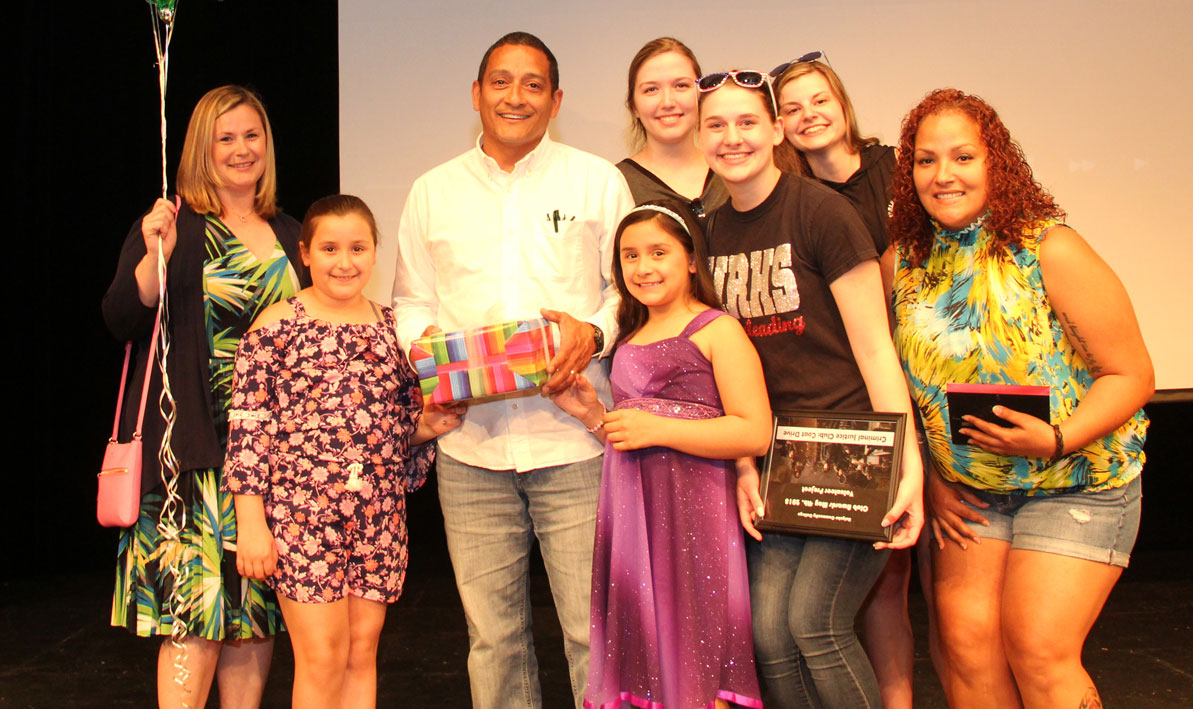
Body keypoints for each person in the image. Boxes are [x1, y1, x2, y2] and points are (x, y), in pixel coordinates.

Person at [887, 88, 1153, 708]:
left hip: (1078, 479)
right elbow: (898, 385)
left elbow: (1132, 375)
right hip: (972, 492)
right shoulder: (901, 261)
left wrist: (1056, 439)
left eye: (962, 157)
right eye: (926, 161)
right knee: (968, 649)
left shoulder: (1049, 248)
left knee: (1036, 646)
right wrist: (932, 477)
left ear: (995, 163)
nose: (943, 175)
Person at [391, 31, 634, 708]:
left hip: (575, 440)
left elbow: (627, 288)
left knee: (593, 632)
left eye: (532, 84)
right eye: (500, 81)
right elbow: (409, 299)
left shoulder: (595, 180)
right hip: (471, 447)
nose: (515, 96)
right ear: (475, 94)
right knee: (492, 639)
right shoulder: (432, 190)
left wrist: (594, 331)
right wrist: (427, 345)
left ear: (555, 100)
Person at [695, 70, 924, 708]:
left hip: (855, 451)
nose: (732, 137)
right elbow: (723, 375)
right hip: (775, 460)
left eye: (746, 122)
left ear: (775, 131)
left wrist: (909, 468)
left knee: (815, 627)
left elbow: (877, 350)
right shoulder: (709, 236)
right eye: (716, 125)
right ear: (699, 139)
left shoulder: (823, 211)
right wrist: (743, 464)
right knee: (769, 636)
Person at [102, 85, 308, 708]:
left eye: (253, 135)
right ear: (201, 148)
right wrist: (151, 259)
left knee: (252, 621)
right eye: (226, 138)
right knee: (195, 622)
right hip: (189, 455)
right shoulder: (173, 227)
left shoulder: (294, 232)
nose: (242, 149)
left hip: (272, 461)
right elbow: (120, 319)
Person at [222, 195, 463, 707]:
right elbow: (248, 433)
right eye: (330, 248)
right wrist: (251, 524)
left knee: (360, 654)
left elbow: (398, 431)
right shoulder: (273, 328)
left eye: (358, 247)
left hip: (377, 517)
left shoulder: (394, 331)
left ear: (376, 253)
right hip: (301, 520)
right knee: (322, 657)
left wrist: (426, 427)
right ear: (305, 253)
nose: (344, 261)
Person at [550, 201, 770, 709]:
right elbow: (633, 433)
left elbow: (753, 432)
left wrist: (657, 427)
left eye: (658, 252)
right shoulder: (629, 338)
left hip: (695, 518)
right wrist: (591, 415)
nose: (643, 267)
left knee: (696, 642)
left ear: (691, 260)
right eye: (630, 256)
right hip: (634, 516)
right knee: (644, 652)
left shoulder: (717, 330)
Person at [771, 55, 915, 708]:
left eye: (818, 99)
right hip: (858, 398)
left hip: (920, 381)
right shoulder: (794, 199)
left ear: (841, 100)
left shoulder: (898, 169)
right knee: (882, 583)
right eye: (792, 107)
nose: (808, 115)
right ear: (778, 125)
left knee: (934, 578)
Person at [617, 38, 729, 224]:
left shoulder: (732, 172)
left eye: (681, 86)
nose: (668, 102)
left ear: (700, 95)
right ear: (633, 107)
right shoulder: (616, 185)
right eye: (651, 89)